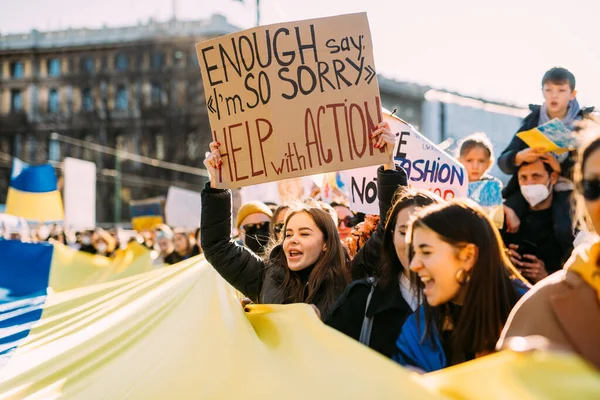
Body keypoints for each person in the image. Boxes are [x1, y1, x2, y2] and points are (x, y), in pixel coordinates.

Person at [201, 121, 401, 317]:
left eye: (304, 233)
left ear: (326, 243)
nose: (293, 240)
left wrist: (389, 164)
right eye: (288, 234)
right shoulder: (264, 277)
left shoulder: (351, 273)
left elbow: (389, 230)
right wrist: (217, 184)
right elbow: (217, 246)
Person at [497, 119, 600, 370]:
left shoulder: (563, 228)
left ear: (554, 178)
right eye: (593, 186)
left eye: (537, 176)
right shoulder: (538, 311)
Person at [393, 200, 530, 372]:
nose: (414, 265)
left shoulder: (535, 314)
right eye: (414, 252)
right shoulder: (418, 329)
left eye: (426, 252)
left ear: (468, 256)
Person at [325, 189, 440, 358]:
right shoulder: (361, 298)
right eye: (404, 231)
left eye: (424, 230)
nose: (413, 241)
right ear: (392, 237)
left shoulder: (462, 302)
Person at [498, 67, 594, 217]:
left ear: (572, 94)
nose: (554, 96)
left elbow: (592, 170)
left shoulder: (585, 125)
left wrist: (560, 168)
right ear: (542, 91)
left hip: (569, 191)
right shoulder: (532, 121)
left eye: (561, 90)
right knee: (504, 218)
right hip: (532, 187)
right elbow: (503, 162)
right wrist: (519, 157)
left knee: (564, 230)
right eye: (549, 90)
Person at [501, 158, 574, 283]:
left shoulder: (569, 221)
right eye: (523, 178)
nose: (529, 183)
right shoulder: (508, 216)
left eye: (536, 176)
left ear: (553, 178)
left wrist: (546, 277)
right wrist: (504, 259)